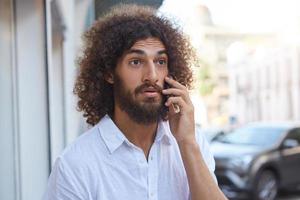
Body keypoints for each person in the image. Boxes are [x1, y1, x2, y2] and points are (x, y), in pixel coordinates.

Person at [43, 4, 227, 200]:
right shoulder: (75, 165)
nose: (152, 76)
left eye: (160, 62)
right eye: (136, 62)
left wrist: (186, 143)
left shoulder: (192, 143)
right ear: (109, 73)